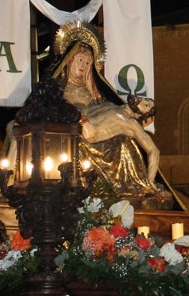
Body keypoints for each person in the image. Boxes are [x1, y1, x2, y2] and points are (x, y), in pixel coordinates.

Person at [50, 20, 176, 209]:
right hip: (67, 126)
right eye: (80, 60)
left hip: (87, 135)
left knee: (126, 142)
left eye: (87, 62)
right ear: (69, 60)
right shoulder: (61, 89)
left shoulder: (120, 115)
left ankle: (130, 189)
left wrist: (149, 182)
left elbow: (152, 150)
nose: (84, 65)